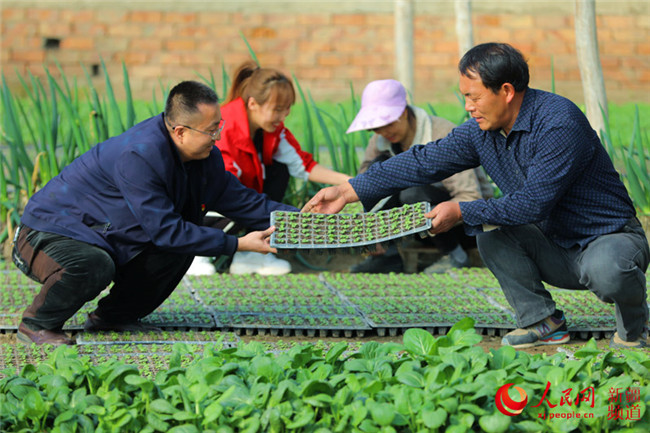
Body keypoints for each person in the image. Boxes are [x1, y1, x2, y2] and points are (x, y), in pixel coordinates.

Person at [303, 43, 649, 349]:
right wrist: (348, 190)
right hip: (555, 247)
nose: (468, 107)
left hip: (606, 239)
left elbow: (533, 203)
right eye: (465, 97)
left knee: (609, 269)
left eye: (474, 96)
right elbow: (423, 161)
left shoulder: (558, 123)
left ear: (506, 91)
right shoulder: (482, 131)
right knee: (491, 232)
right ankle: (543, 321)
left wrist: (461, 210)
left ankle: (636, 326)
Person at [12, 80, 295, 346]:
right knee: (95, 263)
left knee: (182, 245)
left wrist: (302, 220)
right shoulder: (139, 155)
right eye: (211, 131)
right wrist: (237, 244)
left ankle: (113, 317)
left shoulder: (204, 159)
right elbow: (166, 231)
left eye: (218, 126)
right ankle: (37, 323)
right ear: (180, 132)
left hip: (103, 234)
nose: (218, 137)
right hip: (47, 234)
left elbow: (247, 203)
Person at [208, 60, 350, 276]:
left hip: (241, 202)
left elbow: (303, 165)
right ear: (253, 104)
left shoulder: (271, 130)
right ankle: (196, 254)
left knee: (280, 168)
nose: (283, 117)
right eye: (277, 110)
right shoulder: (223, 130)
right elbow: (227, 193)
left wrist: (351, 183)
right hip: (209, 205)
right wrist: (298, 219)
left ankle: (251, 253)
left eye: (287, 110)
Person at [346, 79, 492, 273]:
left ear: (404, 112)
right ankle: (388, 256)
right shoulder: (380, 140)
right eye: (376, 127)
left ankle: (455, 255)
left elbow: (471, 196)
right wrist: (370, 231)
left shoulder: (442, 133)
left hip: (463, 225)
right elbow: (364, 185)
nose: (383, 132)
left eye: (388, 123)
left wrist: (441, 216)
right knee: (376, 172)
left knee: (412, 192)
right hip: (418, 226)